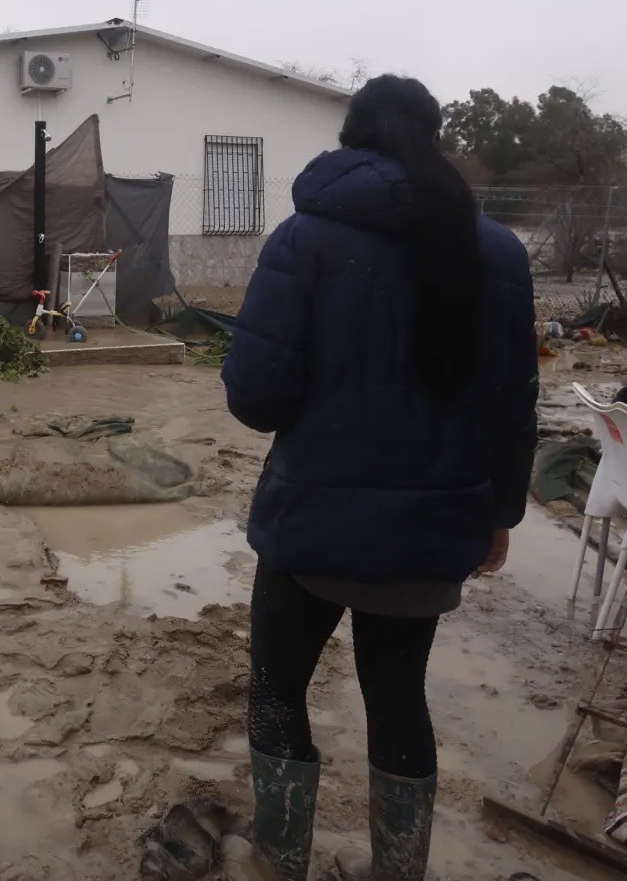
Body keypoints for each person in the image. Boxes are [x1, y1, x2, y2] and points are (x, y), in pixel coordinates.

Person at [220, 74, 538, 881]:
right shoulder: (497, 252)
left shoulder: (304, 239)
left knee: (276, 694)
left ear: (352, 136)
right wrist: (499, 511)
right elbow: (512, 400)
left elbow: (255, 398)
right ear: (434, 138)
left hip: (308, 529)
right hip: (430, 537)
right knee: (399, 701)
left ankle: (279, 862)